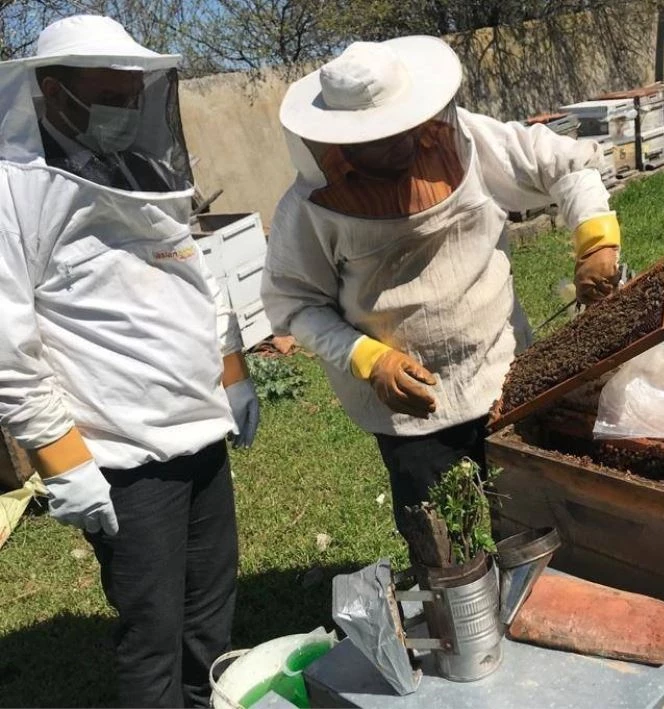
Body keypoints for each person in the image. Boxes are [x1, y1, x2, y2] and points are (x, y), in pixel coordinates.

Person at [0, 15, 260, 708]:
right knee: (153, 633)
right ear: (51, 94)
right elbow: (7, 343)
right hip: (122, 458)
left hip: (200, 433)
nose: (123, 108)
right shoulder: (15, 188)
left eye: (129, 93)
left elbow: (194, 277)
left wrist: (231, 376)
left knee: (211, 619)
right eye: (105, 94)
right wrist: (62, 459)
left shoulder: (145, 166)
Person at [262, 37, 621, 538]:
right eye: (383, 136)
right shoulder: (307, 208)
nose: (404, 143)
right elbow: (296, 304)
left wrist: (596, 240)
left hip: (506, 371)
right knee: (445, 546)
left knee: (535, 521)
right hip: (409, 406)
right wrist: (370, 359)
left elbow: (567, 165)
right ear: (344, 139)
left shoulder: (467, 139)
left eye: (405, 127)